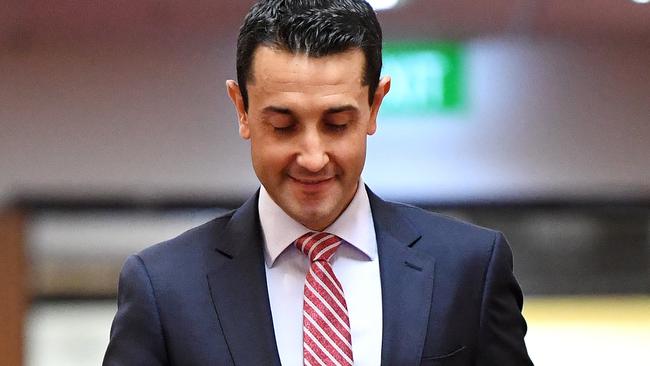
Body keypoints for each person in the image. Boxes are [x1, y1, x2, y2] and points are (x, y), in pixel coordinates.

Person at [103, 0, 534, 365]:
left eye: (337, 124)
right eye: (284, 126)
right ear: (242, 109)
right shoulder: (164, 288)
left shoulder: (470, 270)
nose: (313, 158)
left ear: (374, 105)